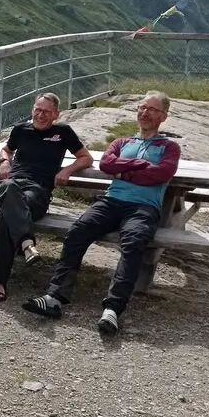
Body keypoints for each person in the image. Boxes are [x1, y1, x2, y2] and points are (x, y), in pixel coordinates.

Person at [22, 91, 179, 336]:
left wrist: (124, 170)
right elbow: (106, 164)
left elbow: (161, 174)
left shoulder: (169, 148)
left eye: (152, 109)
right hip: (110, 201)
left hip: (143, 208)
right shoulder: (122, 142)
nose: (145, 113)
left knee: (133, 243)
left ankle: (113, 309)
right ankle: (54, 296)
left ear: (164, 117)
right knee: (77, 231)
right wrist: (140, 166)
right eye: (142, 107)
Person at [0, 92, 92, 301]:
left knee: (5, 216)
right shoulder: (20, 130)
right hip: (12, 185)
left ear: (56, 114)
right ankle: (26, 243)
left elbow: (86, 158)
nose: (40, 115)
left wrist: (67, 170)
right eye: (37, 110)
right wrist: (4, 162)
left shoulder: (63, 132)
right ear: (32, 110)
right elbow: (6, 150)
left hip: (38, 192)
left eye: (46, 112)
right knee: (7, 187)